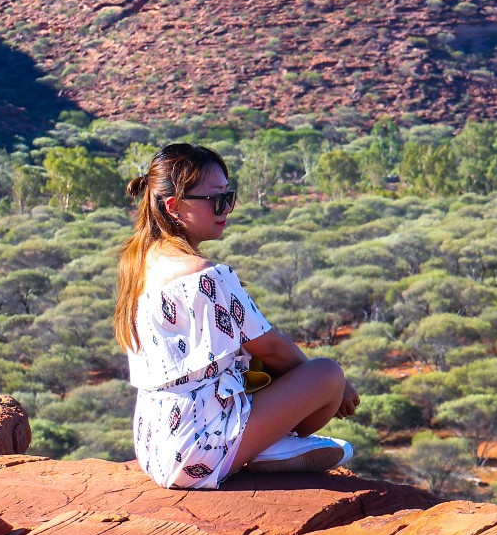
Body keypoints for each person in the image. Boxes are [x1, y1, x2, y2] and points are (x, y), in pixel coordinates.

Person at [112, 142, 359, 488]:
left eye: (229, 196)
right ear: (174, 207)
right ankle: (262, 448)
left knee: (248, 366)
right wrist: (338, 390)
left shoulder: (139, 261)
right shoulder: (202, 273)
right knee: (326, 373)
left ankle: (257, 446)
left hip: (155, 444)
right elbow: (271, 348)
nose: (226, 208)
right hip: (197, 446)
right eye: (216, 199)